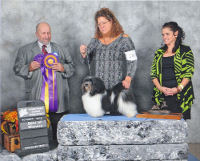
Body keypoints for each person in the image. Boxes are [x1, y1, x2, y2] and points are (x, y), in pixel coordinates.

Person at [13, 22, 75, 142]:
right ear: (36, 34)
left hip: (59, 99)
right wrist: (29, 67)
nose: (46, 36)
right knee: (37, 130)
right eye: (43, 33)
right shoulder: (24, 50)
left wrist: (63, 68)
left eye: (48, 33)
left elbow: (72, 67)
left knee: (59, 131)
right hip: (35, 96)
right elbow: (16, 69)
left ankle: (59, 149)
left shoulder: (61, 49)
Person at [80, 8, 137, 90]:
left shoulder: (124, 39)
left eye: (104, 23)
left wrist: (128, 79)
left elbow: (133, 61)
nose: (101, 26)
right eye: (99, 24)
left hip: (117, 88)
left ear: (111, 21)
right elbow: (86, 63)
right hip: (98, 88)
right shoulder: (94, 41)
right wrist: (83, 54)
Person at [150, 21, 194, 120]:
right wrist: (160, 88)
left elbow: (189, 73)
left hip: (180, 96)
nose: (164, 37)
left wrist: (177, 89)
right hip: (162, 95)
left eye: (167, 34)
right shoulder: (159, 52)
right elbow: (153, 74)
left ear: (176, 33)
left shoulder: (185, 50)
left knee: (179, 127)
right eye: (163, 34)